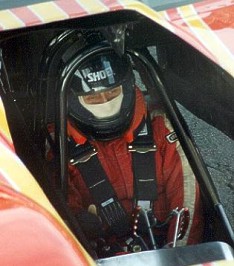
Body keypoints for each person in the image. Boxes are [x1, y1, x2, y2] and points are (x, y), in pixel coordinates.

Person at [48, 43, 203, 256]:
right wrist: (78, 223)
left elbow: (187, 202)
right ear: (73, 100)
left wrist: (178, 256)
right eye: (93, 98)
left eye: (112, 93)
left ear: (127, 86)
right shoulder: (58, 148)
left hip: (168, 252)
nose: (105, 103)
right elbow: (56, 218)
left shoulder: (161, 128)